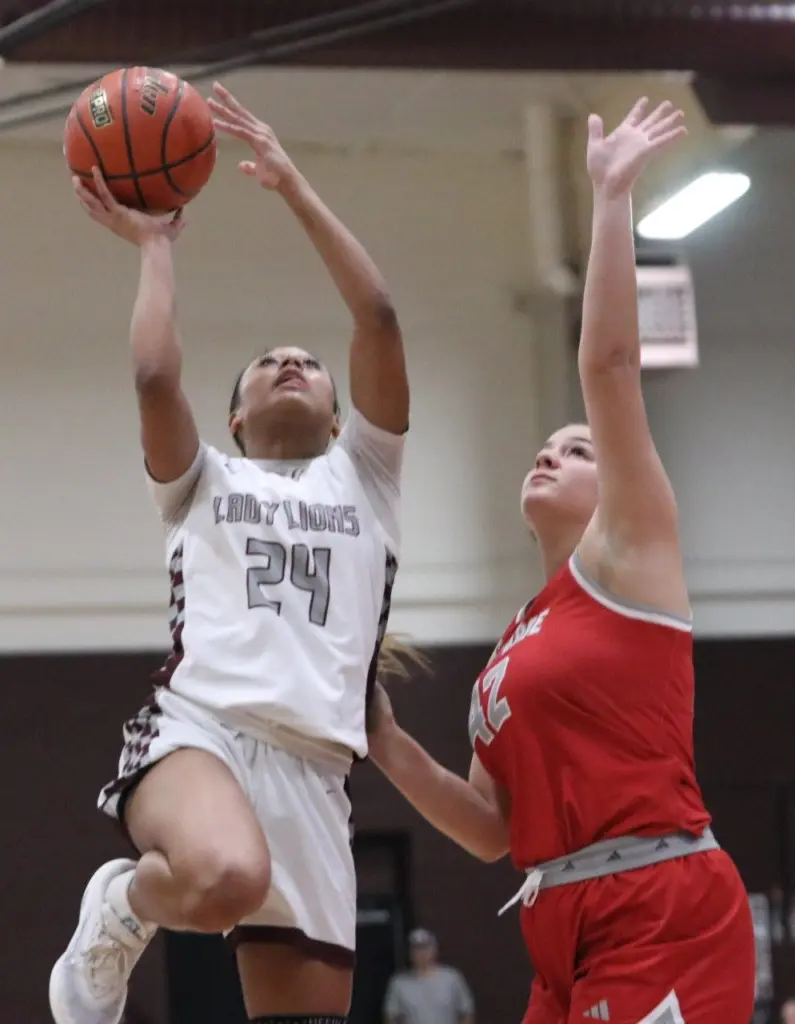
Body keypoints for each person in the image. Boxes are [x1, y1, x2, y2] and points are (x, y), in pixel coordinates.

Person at [366, 98, 756, 1023]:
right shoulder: (514, 643)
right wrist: (380, 736)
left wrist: (610, 197)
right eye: (543, 447)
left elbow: (609, 367)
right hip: (559, 920)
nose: (550, 455)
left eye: (576, 449)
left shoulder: (631, 555)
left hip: (659, 905)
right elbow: (489, 830)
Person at [49, 81, 411, 1024]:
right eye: (265, 363)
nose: (290, 362)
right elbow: (152, 375)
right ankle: (123, 905)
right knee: (222, 878)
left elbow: (376, 315)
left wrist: (293, 186)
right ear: (237, 418)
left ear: (339, 413)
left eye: (309, 362)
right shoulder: (202, 480)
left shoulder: (366, 477)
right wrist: (155, 248)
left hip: (318, 770)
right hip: (203, 732)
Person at [384, 928, 475, 1024]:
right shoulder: (398, 983)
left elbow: (466, 1011)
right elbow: (391, 1016)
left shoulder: (452, 978)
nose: (421, 953)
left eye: (426, 948)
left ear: (435, 950)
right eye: (416, 949)